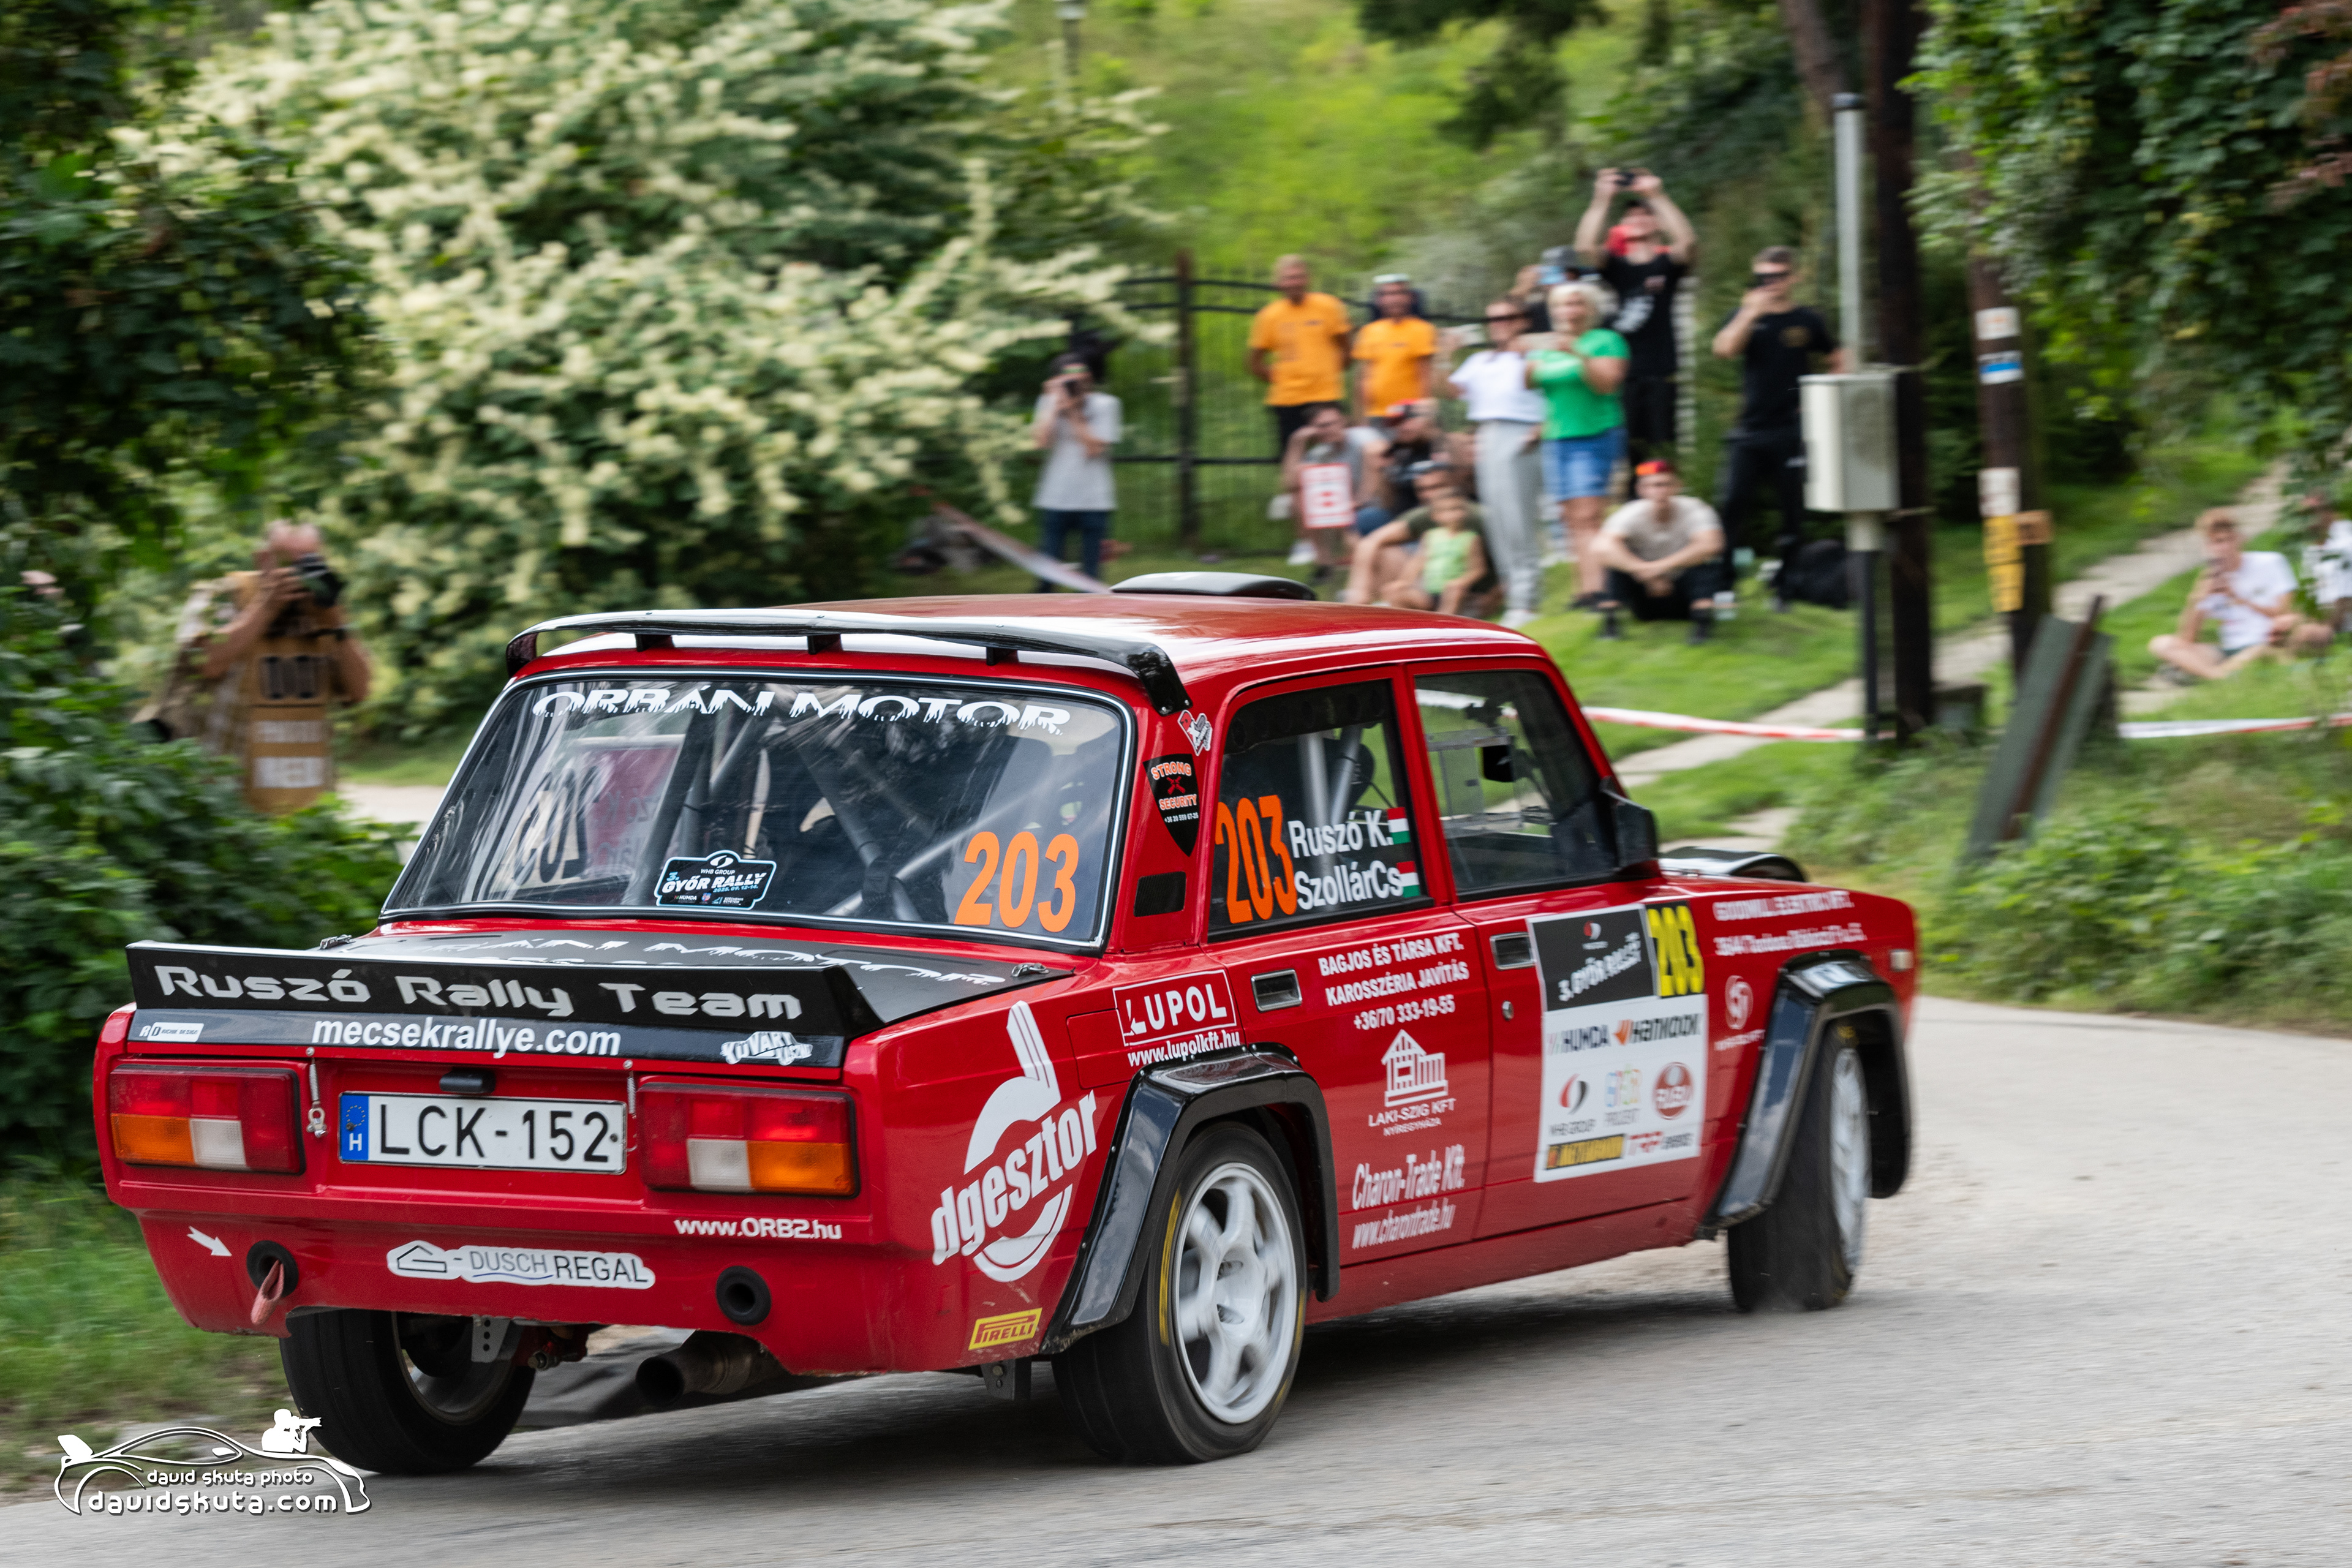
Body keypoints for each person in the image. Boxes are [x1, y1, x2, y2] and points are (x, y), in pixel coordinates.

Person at [146, 521, 372, 814]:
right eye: (287, 562)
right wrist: (266, 606)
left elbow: (360, 691)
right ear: (263, 559)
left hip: (310, 816)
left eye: (309, 562)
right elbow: (206, 663)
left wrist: (335, 624)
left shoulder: (326, 614)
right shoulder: (223, 595)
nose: (299, 575)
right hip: (227, 811)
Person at [1710, 246, 1846, 609]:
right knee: (1732, 504)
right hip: (1749, 429)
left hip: (1791, 429)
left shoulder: (1807, 319)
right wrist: (1749, 313)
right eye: (1763, 277)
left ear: (1793, 277)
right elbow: (1723, 350)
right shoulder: (1745, 315)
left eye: (1777, 276)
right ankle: (1724, 583)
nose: (1770, 283)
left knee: (1791, 511)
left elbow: (1838, 359)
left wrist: (1819, 399)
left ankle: (1785, 585)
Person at [1576, 170, 1696, 466]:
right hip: (1624, 376)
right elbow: (1584, 248)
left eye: (1645, 214)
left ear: (1658, 223)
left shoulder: (1667, 265)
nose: (1638, 219)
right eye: (1631, 216)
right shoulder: (1617, 267)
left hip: (1660, 374)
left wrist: (1657, 195)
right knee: (1629, 459)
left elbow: (1688, 243)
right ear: (1623, 226)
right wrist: (1602, 198)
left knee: (1661, 459)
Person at [1527, 280, 1630, 608]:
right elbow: (1529, 381)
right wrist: (1525, 353)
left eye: (1576, 303)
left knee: (1588, 515)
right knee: (1570, 518)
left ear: (1590, 309)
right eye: (1562, 305)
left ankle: (1603, 589)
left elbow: (1607, 384)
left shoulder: (1605, 340)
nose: (1569, 311)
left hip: (1594, 435)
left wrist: (1578, 353)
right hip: (1557, 438)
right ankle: (1585, 590)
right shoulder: (1547, 346)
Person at [1447, 299, 1549, 628]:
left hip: (1520, 431)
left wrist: (1542, 426)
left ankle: (1527, 599)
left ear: (1523, 320)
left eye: (1507, 317)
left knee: (1518, 520)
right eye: (1492, 319)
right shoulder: (1480, 360)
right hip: (1487, 432)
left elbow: (1554, 391)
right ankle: (1513, 596)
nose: (1499, 323)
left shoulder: (1536, 353)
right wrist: (1443, 355)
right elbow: (1449, 391)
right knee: (1498, 520)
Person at [1248, 257, 1353, 566]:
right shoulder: (1269, 316)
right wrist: (1281, 379)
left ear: (1307, 278)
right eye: (1287, 277)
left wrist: (1329, 374)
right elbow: (1254, 361)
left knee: (1337, 468)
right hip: (1287, 401)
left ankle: (1342, 540)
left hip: (1326, 397)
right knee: (1296, 475)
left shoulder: (1329, 306)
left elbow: (1347, 349)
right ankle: (1303, 541)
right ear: (1278, 283)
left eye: (1298, 276)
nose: (1293, 282)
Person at [2150, 509, 2329, 680]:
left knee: (2268, 648)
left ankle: (2209, 673)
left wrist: (2237, 597)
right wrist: (2198, 597)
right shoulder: (2210, 578)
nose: (2223, 548)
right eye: (2215, 543)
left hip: (2266, 642)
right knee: (2162, 644)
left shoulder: (2270, 562)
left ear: (2239, 539)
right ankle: (2218, 675)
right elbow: (2187, 640)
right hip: (2230, 651)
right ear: (2207, 547)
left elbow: (2283, 614)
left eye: (2226, 540)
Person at [1593, 460, 1728, 644]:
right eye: (1653, 486)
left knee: (1706, 562)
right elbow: (1601, 548)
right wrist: (1643, 571)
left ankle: (1702, 622)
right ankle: (1610, 623)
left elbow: (1712, 545)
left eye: (1665, 485)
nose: (1660, 491)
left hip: (1684, 594)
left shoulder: (1696, 509)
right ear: (1641, 490)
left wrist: (1659, 568)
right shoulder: (1629, 513)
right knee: (1615, 559)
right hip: (1645, 594)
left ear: (1677, 487)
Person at [1030, 353, 1121, 589]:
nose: (1076, 381)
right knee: (1048, 571)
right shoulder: (1049, 402)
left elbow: (1094, 449)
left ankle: (1089, 608)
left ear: (1089, 377)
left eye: (1081, 374)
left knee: (1090, 575)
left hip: (1093, 499)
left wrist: (1073, 411)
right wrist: (1054, 405)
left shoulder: (1106, 404)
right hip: (1056, 496)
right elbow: (1041, 442)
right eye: (1068, 377)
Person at [1281, 403, 1389, 575]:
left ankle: (1363, 572)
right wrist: (1297, 442)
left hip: (1377, 502)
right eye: (1321, 427)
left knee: (1350, 524)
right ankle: (1323, 565)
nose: (1328, 430)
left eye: (1331, 424)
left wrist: (1360, 501)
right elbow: (1290, 483)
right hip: (1344, 507)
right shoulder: (1321, 453)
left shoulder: (1362, 437)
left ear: (1343, 421)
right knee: (1299, 494)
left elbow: (1379, 464)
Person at [1378, 491, 1494, 616]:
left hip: (1454, 593)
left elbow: (1478, 569)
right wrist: (1404, 581)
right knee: (1394, 590)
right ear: (1435, 515)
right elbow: (1418, 561)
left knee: (1455, 591)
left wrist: (1461, 582)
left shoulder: (1471, 539)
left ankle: (1446, 622)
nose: (1453, 515)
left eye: (1457, 509)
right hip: (1429, 592)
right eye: (1446, 511)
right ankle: (1411, 623)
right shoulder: (1430, 536)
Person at [1352, 277, 1439, 421]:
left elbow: (1426, 379)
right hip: (1376, 415)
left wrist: (1423, 417)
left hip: (1409, 415)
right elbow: (1362, 379)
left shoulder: (1422, 330)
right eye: (1387, 294)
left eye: (1398, 293)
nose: (1393, 299)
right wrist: (1360, 419)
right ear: (1379, 300)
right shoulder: (1369, 331)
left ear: (1409, 298)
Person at [2298, 488, 2352, 633]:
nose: (2308, 520)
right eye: (2304, 515)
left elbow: (2345, 600)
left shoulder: (2346, 543)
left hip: (2341, 626)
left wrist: (2323, 630)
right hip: (2324, 620)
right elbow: (2309, 595)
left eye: (2313, 512)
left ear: (2329, 513)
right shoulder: (2312, 548)